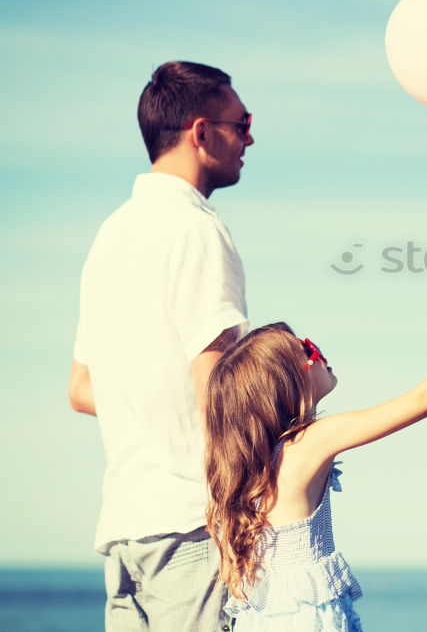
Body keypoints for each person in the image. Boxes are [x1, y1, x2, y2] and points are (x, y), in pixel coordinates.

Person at [204, 291, 427, 631]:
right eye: (308, 348)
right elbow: (425, 400)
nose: (320, 354)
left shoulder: (252, 471)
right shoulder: (309, 443)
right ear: (287, 381)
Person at [68, 61, 255, 631]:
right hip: (189, 525)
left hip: (125, 530)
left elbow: (82, 388)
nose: (250, 136)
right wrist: (241, 508)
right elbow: (213, 384)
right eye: (241, 121)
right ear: (201, 132)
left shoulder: (111, 233)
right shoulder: (196, 229)